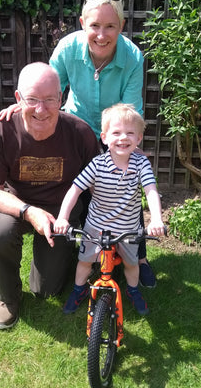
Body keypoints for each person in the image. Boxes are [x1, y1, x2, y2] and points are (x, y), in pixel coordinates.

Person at [0, 0, 157, 288]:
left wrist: (125, 145)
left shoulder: (133, 57)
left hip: (115, 132)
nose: (101, 34)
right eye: (94, 25)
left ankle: (140, 257)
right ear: (83, 24)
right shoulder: (69, 48)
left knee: (125, 185)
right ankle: (85, 249)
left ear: (121, 26)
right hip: (73, 130)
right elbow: (47, 89)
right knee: (80, 190)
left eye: (110, 26)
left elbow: (130, 109)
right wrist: (21, 106)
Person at [0, 62, 99, 330]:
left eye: (49, 100)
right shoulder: (1, 129)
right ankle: (7, 298)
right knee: (0, 233)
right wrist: (29, 212)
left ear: (60, 99)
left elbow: (97, 185)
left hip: (61, 213)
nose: (41, 110)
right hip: (17, 205)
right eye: (32, 100)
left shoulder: (80, 132)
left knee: (46, 291)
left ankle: (59, 260)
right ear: (18, 99)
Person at [54, 104, 165, 316]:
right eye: (116, 132)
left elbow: (150, 190)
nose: (123, 138)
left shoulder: (141, 164)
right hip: (96, 227)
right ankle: (79, 289)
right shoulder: (97, 164)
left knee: (132, 266)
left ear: (139, 138)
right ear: (104, 137)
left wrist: (156, 219)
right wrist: (62, 217)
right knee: (84, 262)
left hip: (128, 228)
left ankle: (132, 290)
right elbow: (75, 190)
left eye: (130, 133)